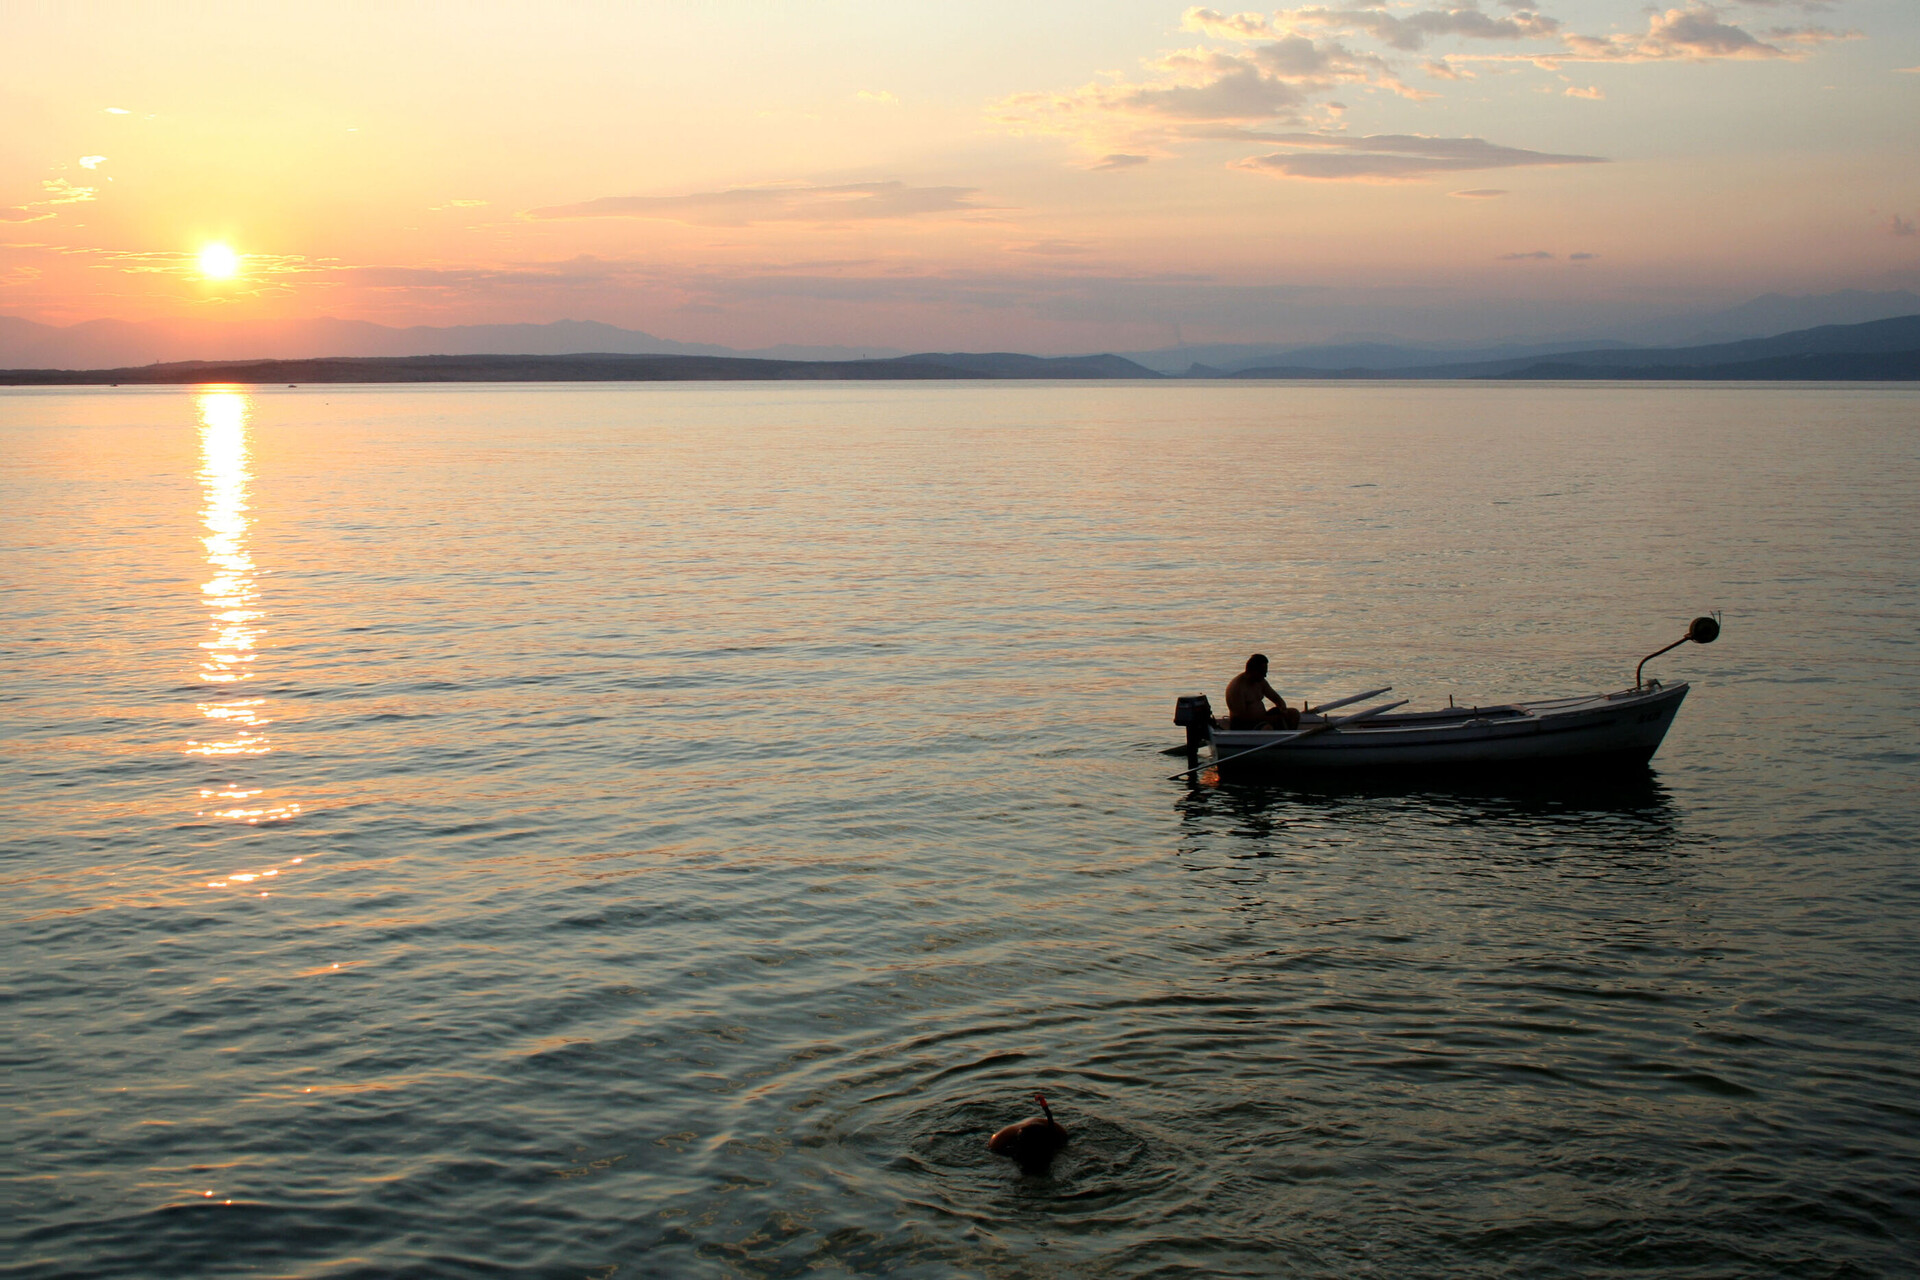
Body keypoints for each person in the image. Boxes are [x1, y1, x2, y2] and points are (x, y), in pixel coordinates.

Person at [1225, 653, 1300, 730]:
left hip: (1262, 719)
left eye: (1265, 672)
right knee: (1267, 728)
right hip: (1245, 725)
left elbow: (1276, 698)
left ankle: (1290, 735)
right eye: (1262, 672)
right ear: (1252, 670)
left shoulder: (1260, 682)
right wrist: (1268, 719)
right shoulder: (1237, 688)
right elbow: (1241, 718)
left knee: (1293, 713)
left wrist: (1282, 708)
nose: (1265, 676)